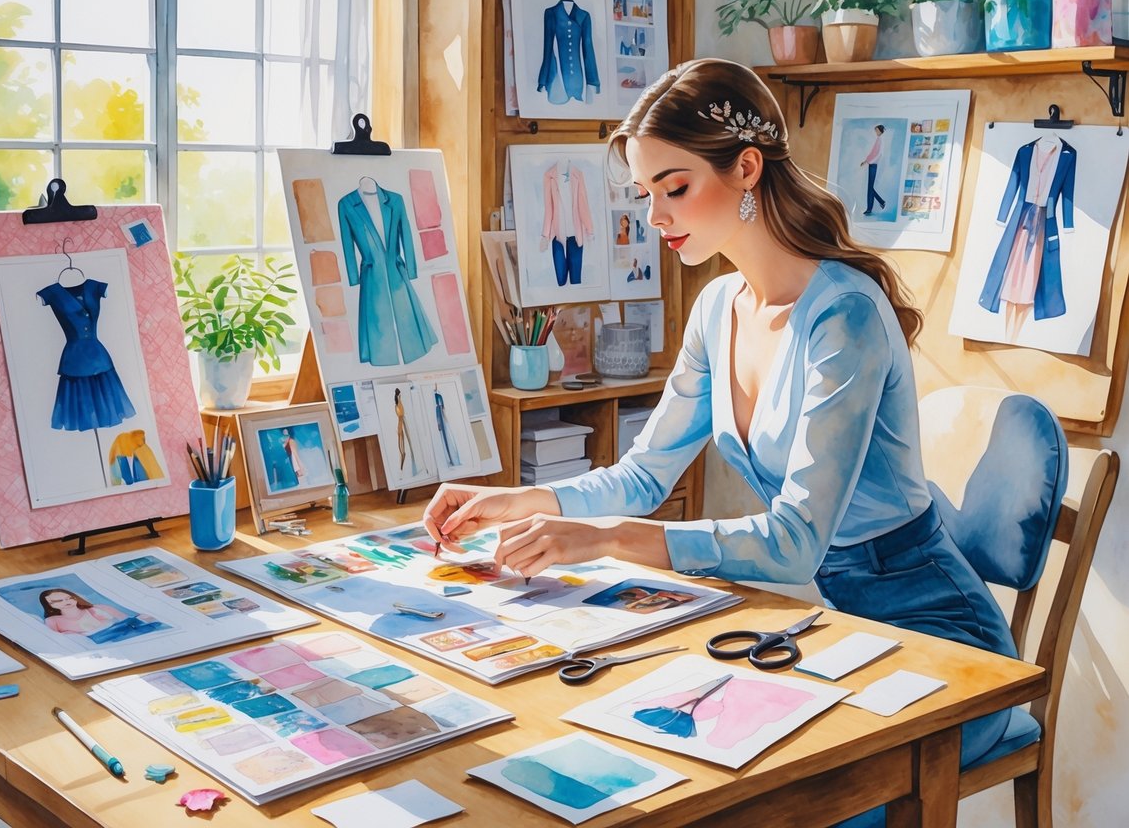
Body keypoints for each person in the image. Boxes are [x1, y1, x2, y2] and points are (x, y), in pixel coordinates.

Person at [423, 58, 1016, 828]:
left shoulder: (844, 316)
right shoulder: (716, 308)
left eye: (673, 187)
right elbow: (643, 476)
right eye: (645, 193)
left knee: (777, 809)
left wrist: (606, 538)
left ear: (746, 168)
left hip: (939, 641)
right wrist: (514, 501)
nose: (655, 215)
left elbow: (794, 545)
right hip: (832, 628)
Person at [39, 589, 126, 635]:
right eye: (58, 601)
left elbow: (125, 619)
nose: (66, 601)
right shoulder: (52, 620)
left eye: (69, 598)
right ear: (48, 604)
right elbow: (55, 640)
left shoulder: (98, 608)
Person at [859, 124, 887, 216]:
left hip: (873, 164)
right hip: (871, 164)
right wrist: (866, 161)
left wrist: (869, 162)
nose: (876, 132)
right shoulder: (878, 139)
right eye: (875, 130)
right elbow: (872, 152)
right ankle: (877, 204)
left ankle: (872, 207)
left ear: (880, 131)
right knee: (870, 187)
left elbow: (879, 154)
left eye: (877, 130)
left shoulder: (881, 140)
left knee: (870, 187)